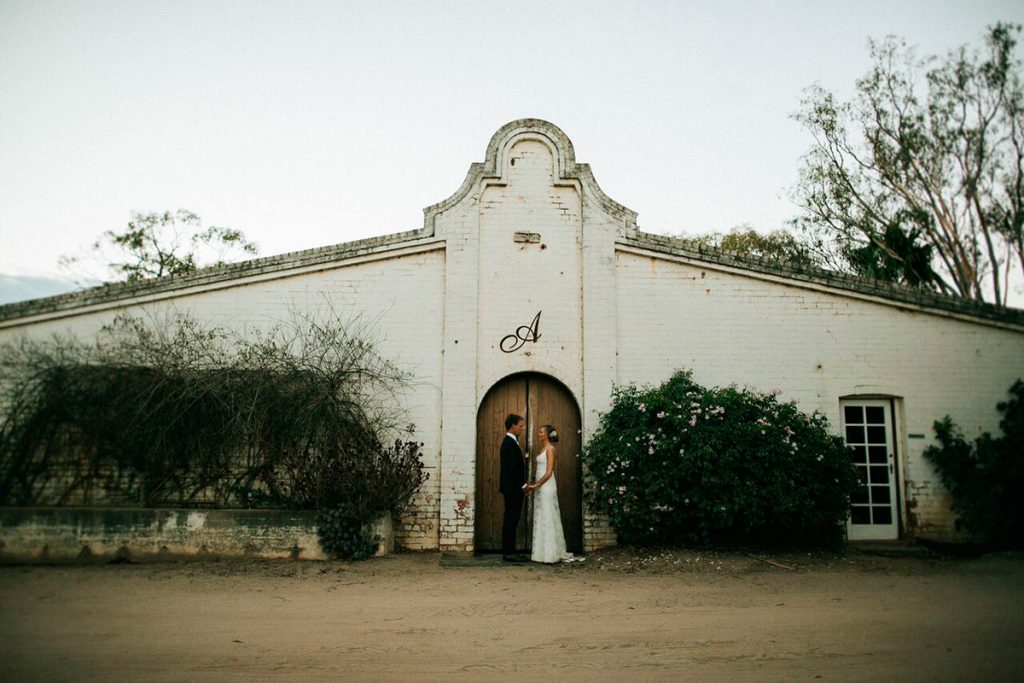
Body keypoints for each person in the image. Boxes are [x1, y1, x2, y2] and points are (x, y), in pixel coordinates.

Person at [525, 424, 579, 563]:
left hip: (547, 486)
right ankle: (541, 553)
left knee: (548, 515)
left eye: (541, 432)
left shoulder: (550, 449)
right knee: (542, 514)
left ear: (547, 435)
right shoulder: (543, 448)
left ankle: (550, 554)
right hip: (540, 486)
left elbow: (549, 472)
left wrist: (537, 484)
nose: (539, 434)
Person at [499, 413, 528, 563]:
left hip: (511, 488)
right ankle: (509, 553)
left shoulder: (511, 442)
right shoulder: (509, 443)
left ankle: (510, 551)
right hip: (513, 488)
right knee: (511, 519)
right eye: (520, 426)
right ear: (513, 426)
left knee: (512, 519)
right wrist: (523, 485)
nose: (522, 428)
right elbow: (512, 468)